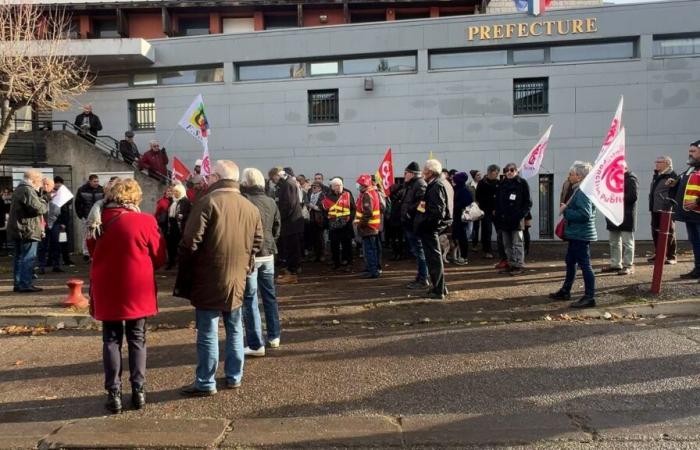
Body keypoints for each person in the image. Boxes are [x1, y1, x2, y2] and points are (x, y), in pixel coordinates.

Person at [176, 160, 263, 396]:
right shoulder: (250, 207)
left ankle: (206, 381)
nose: (206, 179)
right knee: (235, 327)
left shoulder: (208, 202)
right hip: (238, 276)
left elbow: (189, 242)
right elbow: (257, 243)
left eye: (209, 176)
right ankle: (234, 376)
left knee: (208, 330)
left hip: (209, 275)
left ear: (215, 177)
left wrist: (188, 269)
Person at [88, 179, 166, 413]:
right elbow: (160, 256)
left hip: (107, 284)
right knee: (137, 338)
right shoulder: (144, 220)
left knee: (110, 339)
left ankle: (114, 393)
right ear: (135, 197)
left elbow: (91, 250)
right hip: (136, 286)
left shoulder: (97, 221)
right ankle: (138, 390)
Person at [240, 168, 282, 357]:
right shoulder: (271, 201)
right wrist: (271, 241)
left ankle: (256, 343)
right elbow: (277, 226)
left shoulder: (244, 201)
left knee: (250, 299)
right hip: (268, 252)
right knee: (269, 296)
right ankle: (274, 336)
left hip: (250, 254)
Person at [549, 162, 597, 308]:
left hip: (580, 234)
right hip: (577, 233)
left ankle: (589, 296)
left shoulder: (582, 192)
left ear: (579, 176)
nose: (569, 176)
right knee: (570, 261)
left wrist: (566, 211)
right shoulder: (580, 189)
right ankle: (566, 290)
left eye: (571, 174)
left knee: (584, 265)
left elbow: (585, 215)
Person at [414, 159, 452, 300]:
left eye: (424, 169)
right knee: (433, 259)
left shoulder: (436, 186)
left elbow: (437, 211)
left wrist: (427, 225)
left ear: (430, 172)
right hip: (429, 228)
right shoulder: (434, 185)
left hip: (430, 229)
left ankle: (439, 290)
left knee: (434, 259)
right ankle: (439, 286)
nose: (423, 172)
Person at [7, 170, 48, 293]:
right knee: (28, 258)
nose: (41, 184)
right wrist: (44, 200)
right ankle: (25, 284)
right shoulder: (28, 190)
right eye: (40, 181)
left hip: (18, 228)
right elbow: (39, 209)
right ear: (34, 180)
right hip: (27, 229)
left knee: (19, 257)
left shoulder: (19, 189)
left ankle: (19, 283)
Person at [669, 140, 700, 279]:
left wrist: (698, 201)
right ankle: (698, 270)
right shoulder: (691, 168)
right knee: (695, 242)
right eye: (689, 151)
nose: (690, 154)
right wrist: (674, 184)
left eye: (693, 151)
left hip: (697, 213)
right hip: (690, 214)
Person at [494, 163, 531, 276]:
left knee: (517, 243)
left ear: (516, 171)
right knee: (507, 244)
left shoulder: (522, 183)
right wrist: (499, 215)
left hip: (516, 220)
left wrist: (521, 215)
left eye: (512, 170)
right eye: (507, 170)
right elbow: (498, 201)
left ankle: (518, 264)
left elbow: (528, 202)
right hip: (504, 220)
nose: (509, 172)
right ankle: (510, 264)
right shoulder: (502, 183)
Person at [601, 166, 639, 276]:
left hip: (626, 215)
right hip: (613, 215)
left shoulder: (631, 179)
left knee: (627, 242)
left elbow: (633, 197)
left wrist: (616, 196)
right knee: (614, 241)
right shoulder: (613, 179)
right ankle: (616, 263)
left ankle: (628, 265)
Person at [401, 162, 429, 289]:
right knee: (417, 251)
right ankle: (420, 276)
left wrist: (409, 212)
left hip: (414, 224)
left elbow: (422, 203)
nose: (404, 175)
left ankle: (423, 278)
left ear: (412, 174)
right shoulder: (411, 184)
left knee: (419, 251)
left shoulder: (420, 184)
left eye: (406, 173)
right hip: (409, 223)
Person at [276, 168, 304, 284]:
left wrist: (279, 216)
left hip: (290, 222)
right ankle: (292, 270)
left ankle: (292, 273)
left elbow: (288, 204)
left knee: (292, 247)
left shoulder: (288, 184)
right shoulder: (290, 184)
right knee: (292, 247)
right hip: (292, 221)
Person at [648, 155, 677, 265]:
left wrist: (668, 203)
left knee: (669, 232)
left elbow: (674, 192)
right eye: (656, 161)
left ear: (667, 163)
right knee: (655, 231)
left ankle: (671, 256)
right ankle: (660, 253)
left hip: (666, 209)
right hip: (655, 208)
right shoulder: (657, 175)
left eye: (659, 162)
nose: (656, 163)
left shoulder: (672, 175)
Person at [322, 178, 355, 271]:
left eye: (340, 185)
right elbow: (324, 211)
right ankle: (336, 263)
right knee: (334, 245)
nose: (339, 187)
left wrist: (349, 220)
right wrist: (329, 221)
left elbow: (353, 208)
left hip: (346, 225)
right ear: (332, 187)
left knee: (347, 245)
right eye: (336, 185)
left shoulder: (347, 194)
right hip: (334, 226)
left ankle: (349, 263)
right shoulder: (328, 196)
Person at [355, 174, 382, 279]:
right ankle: (372, 269)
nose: (358, 186)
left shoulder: (367, 194)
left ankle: (373, 271)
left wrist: (360, 224)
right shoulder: (372, 192)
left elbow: (368, 212)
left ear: (364, 184)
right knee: (372, 249)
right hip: (372, 227)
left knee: (369, 250)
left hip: (368, 227)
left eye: (360, 184)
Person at [74, 174, 105, 262]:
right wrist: (81, 215)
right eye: (94, 181)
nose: (96, 183)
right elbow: (77, 204)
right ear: (90, 181)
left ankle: (96, 252)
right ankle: (86, 254)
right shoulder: (82, 190)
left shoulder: (101, 189)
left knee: (98, 235)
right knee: (87, 235)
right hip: (87, 216)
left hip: (99, 217)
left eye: (97, 181)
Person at [476, 165, 500, 260]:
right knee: (487, 230)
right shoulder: (482, 183)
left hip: (496, 211)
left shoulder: (499, 182)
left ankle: (501, 248)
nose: (497, 174)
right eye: (496, 172)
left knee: (500, 230)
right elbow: (478, 197)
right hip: (486, 210)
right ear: (490, 172)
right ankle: (487, 250)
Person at [165, 183, 191, 270]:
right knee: (170, 245)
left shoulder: (185, 201)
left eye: (176, 191)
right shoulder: (172, 200)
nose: (174, 193)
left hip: (180, 225)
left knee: (178, 245)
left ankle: (179, 263)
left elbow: (190, 213)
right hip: (171, 224)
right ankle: (171, 262)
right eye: (174, 191)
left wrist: (183, 216)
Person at [53, 177, 75, 267]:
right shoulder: (53, 193)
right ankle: (57, 260)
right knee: (57, 242)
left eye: (60, 183)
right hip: (58, 221)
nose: (59, 185)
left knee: (64, 240)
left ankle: (66, 259)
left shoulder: (64, 192)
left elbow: (69, 202)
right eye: (57, 183)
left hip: (64, 220)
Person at [452, 172, 473, 266]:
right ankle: (459, 255)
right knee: (458, 237)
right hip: (457, 217)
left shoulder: (464, 190)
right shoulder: (457, 189)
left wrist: (455, 206)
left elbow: (467, 203)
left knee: (462, 237)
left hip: (462, 217)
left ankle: (464, 257)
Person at [306, 181, 326, 262]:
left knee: (320, 238)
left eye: (315, 187)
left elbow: (322, 207)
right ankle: (315, 255)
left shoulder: (322, 195)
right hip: (311, 219)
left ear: (320, 188)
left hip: (319, 219)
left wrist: (311, 206)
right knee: (313, 237)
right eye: (312, 187)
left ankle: (321, 254)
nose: (313, 188)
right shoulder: (311, 195)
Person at [386, 183, 405, 260]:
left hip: (394, 221)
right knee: (399, 238)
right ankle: (399, 254)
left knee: (394, 239)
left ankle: (397, 254)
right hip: (398, 221)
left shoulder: (394, 198)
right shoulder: (401, 196)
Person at [468, 170, 482, 250]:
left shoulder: (483, 184)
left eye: (480, 175)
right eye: (477, 175)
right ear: (474, 176)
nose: (479, 176)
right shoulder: (469, 186)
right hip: (473, 208)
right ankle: (474, 244)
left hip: (482, 208)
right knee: (475, 227)